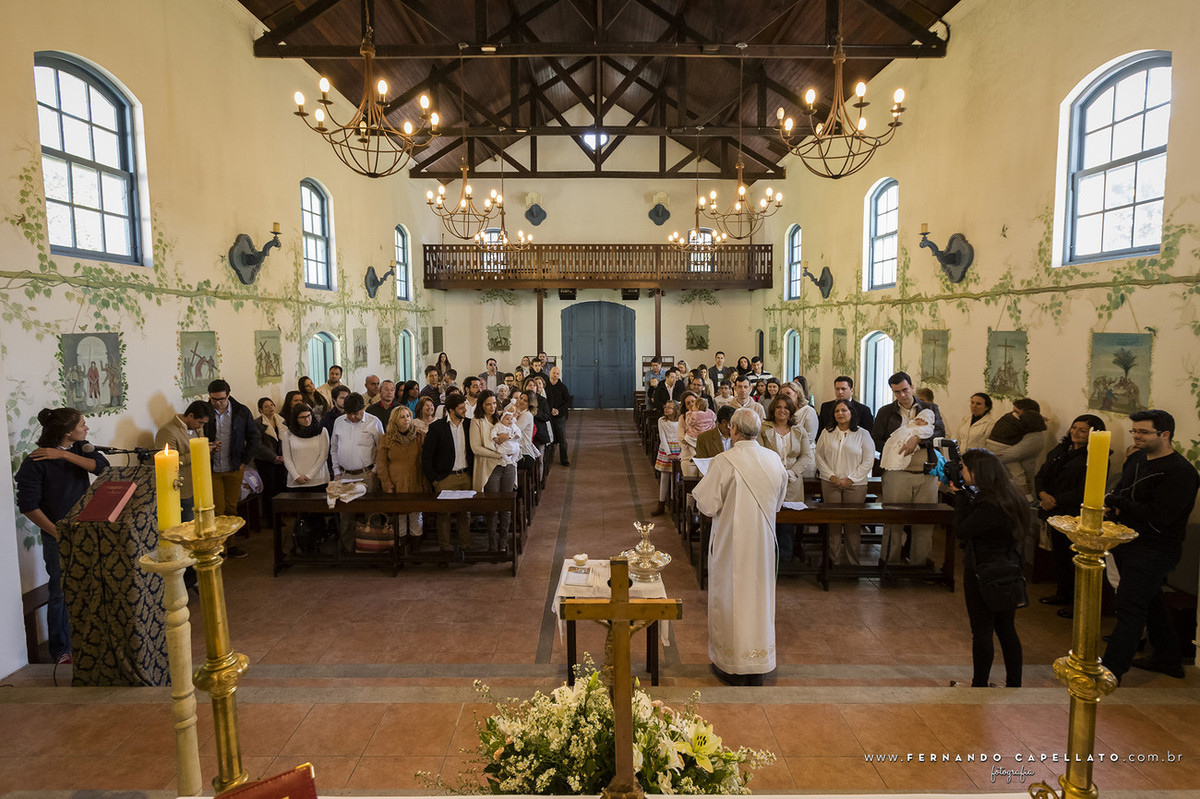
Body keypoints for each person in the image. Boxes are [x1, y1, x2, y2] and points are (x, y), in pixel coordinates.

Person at [1102, 409, 1200, 682]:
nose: (1136, 436)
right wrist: (1114, 506)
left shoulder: (1180, 472)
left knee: (1129, 606)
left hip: (1155, 547)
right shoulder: (1137, 459)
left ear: (1165, 434)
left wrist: (1118, 503)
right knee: (1152, 600)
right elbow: (1123, 491)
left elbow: (1160, 516)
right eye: (1134, 431)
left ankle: (1111, 670)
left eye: (1143, 432)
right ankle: (1168, 658)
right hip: (1127, 540)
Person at [693, 408, 788, 686]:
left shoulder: (724, 461)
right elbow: (778, 502)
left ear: (733, 430)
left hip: (731, 544)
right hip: (763, 543)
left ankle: (732, 665)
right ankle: (758, 665)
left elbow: (707, 505)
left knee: (730, 597)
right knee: (759, 598)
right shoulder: (773, 459)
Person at [15, 408, 109, 665]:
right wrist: (57, 532)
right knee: (61, 592)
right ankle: (61, 650)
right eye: (82, 424)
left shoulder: (80, 448)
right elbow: (28, 506)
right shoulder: (34, 462)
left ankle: (92, 639)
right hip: (57, 536)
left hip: (86, 530)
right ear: (67, 431)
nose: (86, 428)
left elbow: (102, 468)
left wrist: (64, 455)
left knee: (91, 586)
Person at [951, 448, 1032, 688]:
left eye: (964, 468)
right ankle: (1014, 683)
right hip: (1009, 567)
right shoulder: (1010, 494)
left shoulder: (989, 504)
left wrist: (960, 499)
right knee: (1006, 629)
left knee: (982, 631)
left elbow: (962, 531)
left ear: (977, 472)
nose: (961, 472)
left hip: (984, 571)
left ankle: (979, 685)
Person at [871, 371, 944, 565]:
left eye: (905, 389)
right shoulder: (886, 412)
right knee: (894, 520)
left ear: (912, 387)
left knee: (924, 521)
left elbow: (939, 431)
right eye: (897, 392)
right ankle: (889, 563)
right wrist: (896, 447)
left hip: (925, 472)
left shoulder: (930, 408)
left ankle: (920, 563)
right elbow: (876, 439)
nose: (902, 395)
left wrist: (917, 440)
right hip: (897, 473)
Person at [1035, 415, 1107, 610]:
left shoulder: (1095, 456)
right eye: (1074, 428)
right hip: (1052, 509)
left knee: (1071, 557)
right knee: (1059, 556)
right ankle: (1063, 592)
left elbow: (1084, 489)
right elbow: (1041, 474)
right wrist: (1042, 494)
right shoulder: (1061, 450)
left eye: (1082, 430)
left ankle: (1076, 601)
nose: (1076, 433)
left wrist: (1054, 500)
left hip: (1071, 513)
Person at [203, 378, 261, 558]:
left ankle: (232, 544)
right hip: (213, 468)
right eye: (213, 399)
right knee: (217, 510)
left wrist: (245, 460)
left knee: (231, 508)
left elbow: (254, 437)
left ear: (228, 395)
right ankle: (220, 548)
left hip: (234, 466)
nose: (217, 403)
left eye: (221, 399)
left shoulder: (241, 411)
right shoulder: (205, 411)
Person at [815, 399, 877, 565]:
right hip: (830, 483)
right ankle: (833, 561)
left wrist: (851, 479)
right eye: (837, 411)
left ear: (851, 413)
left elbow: (868, 460)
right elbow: (819, 457)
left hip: (855, 485)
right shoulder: (826, 433)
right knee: (833, 523)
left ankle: (853, 562)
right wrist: (831, 476)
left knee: (852, 523)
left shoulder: (863, 434)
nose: (840, 414)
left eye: (844, 410)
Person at [757, 395, 815, 566]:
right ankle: (767, 560)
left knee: (787, 521)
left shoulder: (799, 430)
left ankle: (785, 559)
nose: (782, 410)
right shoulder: (763, 428)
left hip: (792, 481)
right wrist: (775, 473)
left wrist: (792, 472)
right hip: (769, 480)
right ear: (773, 409)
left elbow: (806, 456)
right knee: (769, 519)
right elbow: (759, 453)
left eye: (786, 408)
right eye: (778, 407)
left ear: (791, 411)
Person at [422, 393, 474, 556]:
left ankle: (465, 546)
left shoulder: (470, 425)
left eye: (464, 407)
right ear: (451, 410)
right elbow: (427, 455)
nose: (464, 410)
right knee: (444, 514)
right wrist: (434, 479)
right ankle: (445, 548)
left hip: (465, 475)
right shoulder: (437, 427)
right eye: (461, 408)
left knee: (465, 513)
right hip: (446, 477)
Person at [471, 391, 518, 553]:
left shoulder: (502, 418)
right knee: (493, 507)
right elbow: (476, 448)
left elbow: (515, 433)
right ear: (481, 405)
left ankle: (503, 543)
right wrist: (498, 454)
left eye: (494, 403)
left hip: (508, 465)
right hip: (490, 467)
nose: (492, 407)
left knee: (506, 505)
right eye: (488, 404)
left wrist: (509, 439)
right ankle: (492, 544)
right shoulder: (477, 421)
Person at [155, 400, 212, 523]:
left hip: (197, 486)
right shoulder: (168, 431)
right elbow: (169, 463)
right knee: (187, 526)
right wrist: (198, 453)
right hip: (182, 488)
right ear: (190, 415)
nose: (201, 426)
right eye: (200, 422)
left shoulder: (196, 429)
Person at [376, 406, 427, 539]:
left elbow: (425, 460)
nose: (406, 419)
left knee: (416, 518)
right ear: (395, 420)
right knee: (400, 519)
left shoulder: (419, 436)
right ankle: (401, 547)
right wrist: (387, 485)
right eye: (402, 417)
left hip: (416, 481)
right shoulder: (386, 438)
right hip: (396, 483)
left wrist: (425, 483)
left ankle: (415, 547)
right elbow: (381, 464)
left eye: (408, 416)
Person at [986, 398, 1048, 498]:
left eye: (1016, 412)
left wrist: (989, 456)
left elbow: (1013, 454)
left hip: (1020, 484)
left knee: (1018, 477)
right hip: (1007, 480)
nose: (1012, 414)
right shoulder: (1016, 424)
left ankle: (1029, 500)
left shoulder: (1035, 435)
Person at [281, 404, 330, 490]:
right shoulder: (288, 434)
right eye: (302, 417)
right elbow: (287, 458)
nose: (307, 419)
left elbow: (323, 456)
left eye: (308, 415)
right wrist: (296, 476)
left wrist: (309, 476)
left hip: (318, 479)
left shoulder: (321, 431)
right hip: (296, 480)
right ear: (296, 419)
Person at [253, 397, 287, 518]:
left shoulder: (281, 421)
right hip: (265, 461)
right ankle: (270, 518)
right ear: (260, 410)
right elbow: (258, 445)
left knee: (280, 488)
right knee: (269, 490)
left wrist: (283, 456)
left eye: (272, 405)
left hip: (281, 460)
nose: (270, 408)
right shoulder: (257, 424)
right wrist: (274, 457)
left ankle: (281, 516)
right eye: (266, 406)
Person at [651, 400, 681, 516]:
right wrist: (668, 453)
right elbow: (662, 437)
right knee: (664, 477)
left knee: (675, 478)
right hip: (666, 450)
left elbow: (682, 437)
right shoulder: (662, 420)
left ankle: (673, 504)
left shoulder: (681, 421)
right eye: (665, 407)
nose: (666, 409)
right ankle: (661, 504)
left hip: (678, 450)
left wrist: (680, 454)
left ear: (675, 410)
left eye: (669, 407)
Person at [545, 366, 572, 466]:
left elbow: (567, 402)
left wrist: (558, 410)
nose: (555, 375)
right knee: (549, 438)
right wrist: (550, 410)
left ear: (559, 375)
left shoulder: (563, 387)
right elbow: (544, 401)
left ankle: (564, 459)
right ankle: (549, 459)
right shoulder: (545, 386)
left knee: (562, 439)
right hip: (548, 415)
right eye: (553, 373)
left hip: (560, 415)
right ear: (550, 373)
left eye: (557, 373)